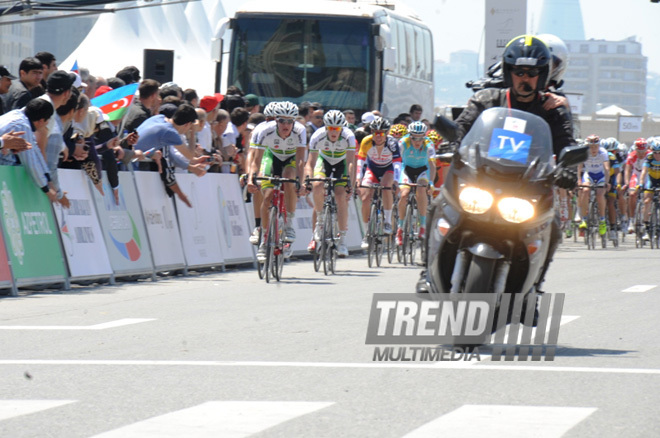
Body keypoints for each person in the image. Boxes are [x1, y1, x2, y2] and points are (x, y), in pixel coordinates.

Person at [420, 34, 577, 307]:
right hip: (481, 178)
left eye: (532, 73)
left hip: (527, 184)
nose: (524, 78)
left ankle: (533, 291)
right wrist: (453, 144)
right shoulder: (487, 99)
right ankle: (426, 271)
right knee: (437, 205)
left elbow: (566, 145)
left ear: (543, 76)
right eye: (519, 72)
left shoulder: (553, 108)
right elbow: (462, 128)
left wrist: (567, 167)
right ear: (508, 72)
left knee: (553, 226)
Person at [247, 101, 307, 261]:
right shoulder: (265, 131)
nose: (285, 125)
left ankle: (288, 225)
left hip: (290, 159)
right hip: (271, 157)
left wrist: (301, 182)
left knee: (289, 179)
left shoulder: (300, 131)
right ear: (276, 120)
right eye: (282, 121)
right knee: (267, 197)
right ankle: (264, 241)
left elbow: (301, 160)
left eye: (289, 121)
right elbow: (256, 160)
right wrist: (252, 178)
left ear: (294, 122)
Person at [305, 109, 356, 257]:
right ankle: (319, 224)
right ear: (326, 127)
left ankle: (342, 240)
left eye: (337, 129)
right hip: (324, 161)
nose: (334, 132)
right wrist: (308, 179)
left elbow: (351, 163)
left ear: (342, 128)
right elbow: (311, 162)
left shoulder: (348, 136)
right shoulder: (317, 135)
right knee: (318, 186)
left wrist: (349, 183)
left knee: (340, 196)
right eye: (331, 128)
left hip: (341, 164)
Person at [0, 98, 57, 202]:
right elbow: (31, 162)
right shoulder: (22, 126)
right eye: (47, 120)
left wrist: (48, 179)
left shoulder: (16, 114)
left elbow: (35, 150)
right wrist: (46, 189)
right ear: (41, 121)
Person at [356, 117, 401, 248]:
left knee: (386, 187)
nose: (378, 136)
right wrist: (359, 178)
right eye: (375, 132)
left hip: (388, 169)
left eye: (381, 133)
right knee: (365, 198)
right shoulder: (366, 141)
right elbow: (361, 161)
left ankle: (387, 221)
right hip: (372, 169)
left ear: (386, 133)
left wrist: (396, 181)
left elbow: (397, 164)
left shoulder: (392, 143)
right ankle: (366, 234)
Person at [395, 121, 436, 246]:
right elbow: (395, 161)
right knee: (404, 194)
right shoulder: (403, 142)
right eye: (414, 138)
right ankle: (400, 228)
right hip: (406, 169)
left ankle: (422, 225)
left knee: (422, 189)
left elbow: (432, 165)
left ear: (424, 136)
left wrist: (431, 182)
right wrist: (395, 179)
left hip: (422, 170)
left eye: (420, 138)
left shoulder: (429, 144)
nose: (417, 141)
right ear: (409, 136)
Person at [577, 135, 610, 237]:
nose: (593, 149)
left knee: (600, 195)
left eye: (595, 146)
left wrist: (607, 183)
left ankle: (602, 220)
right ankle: (584, 219)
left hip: (600, 175)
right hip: (589, 175)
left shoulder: (603, 152)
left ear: (599, 146)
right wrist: (579, 180)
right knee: (585, 191)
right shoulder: (584, 152)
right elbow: (579, 167)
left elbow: (607, 169)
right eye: (591, 147)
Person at [624, 138, 649, 233]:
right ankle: (631, 219)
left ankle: (646, 218)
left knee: (647, 196)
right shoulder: (631, 156)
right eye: (639, 151)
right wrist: (626, 183)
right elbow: (627, 170)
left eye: (643, 151)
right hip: (636, 174)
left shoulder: (650, 155)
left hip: (647, 175)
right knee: (632, 194)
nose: (641, 154)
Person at [638, 137, 660, 241]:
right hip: (651, 180)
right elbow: (644, 171)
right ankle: (646, 227)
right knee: (647, 201)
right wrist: (641, 183)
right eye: (655, 152)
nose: (657, 155)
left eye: (659, 152)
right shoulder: (649, 157)